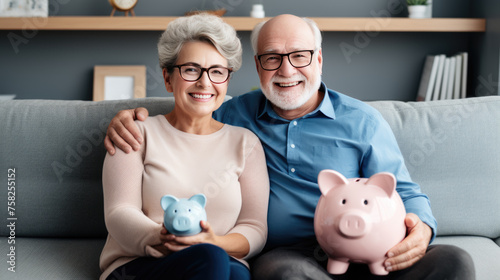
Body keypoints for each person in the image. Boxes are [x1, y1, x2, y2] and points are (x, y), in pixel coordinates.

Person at [104, 14, 475, 280]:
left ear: (319, 59)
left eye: (299, 55)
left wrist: (422, 229)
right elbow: (193, 106)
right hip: (293, 257)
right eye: (272, 58)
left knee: (455, 261)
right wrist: (130, 114)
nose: (286, 70)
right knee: (285, 274)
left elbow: (404, 190)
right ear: (257, 66)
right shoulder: (236, 117)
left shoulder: (362, 121)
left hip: (373, 247)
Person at [99, 14, 269, 280]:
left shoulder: (245, 143)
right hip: (141, 264)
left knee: (229, 270)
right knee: (211, 261)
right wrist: (167, 236)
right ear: (168, 78)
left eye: (217, 71)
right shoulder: (134, 132)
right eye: (191, 69)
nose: (204, 82)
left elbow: (254, 227)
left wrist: (214, 242)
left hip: (219, 262)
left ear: (226, 81)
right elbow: (119, 212)